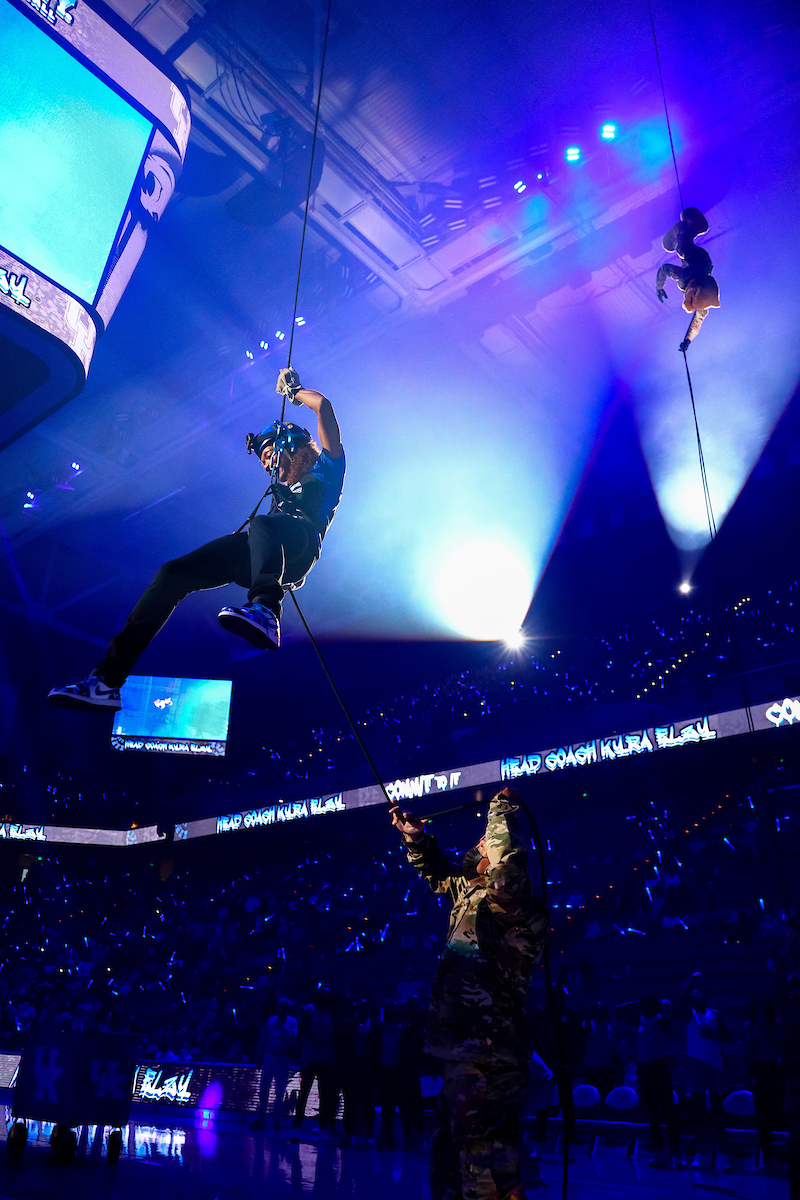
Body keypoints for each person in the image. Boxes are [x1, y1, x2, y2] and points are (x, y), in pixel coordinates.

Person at [47, 371, 344, 711]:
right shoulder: (276, 493)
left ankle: (266, 610)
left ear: (290, 445)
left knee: (262, 525)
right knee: (172, 574)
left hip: (299, 548)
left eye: (269, 454)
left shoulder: (325, 470)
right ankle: (106, 681)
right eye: (262, 460)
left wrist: (295, 393)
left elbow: (324, 408)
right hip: (265, 550)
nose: (266, 465)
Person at [391, 786, 549, 1200]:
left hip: (490, 1052)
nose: (478, 843)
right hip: (461, 1049)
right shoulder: (470, 893)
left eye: (486, 841)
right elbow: (440, 874)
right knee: (450, 1157)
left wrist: (500, 812)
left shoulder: (513, 905)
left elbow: (506, 873)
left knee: (484, 1169)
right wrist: (417, 839)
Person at [679, 973, 732, 1168]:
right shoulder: (688, 1015)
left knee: (718, 1111)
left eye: (699, 990)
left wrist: (713, 1034)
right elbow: (681, 997)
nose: (696, 992)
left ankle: (722, 1156)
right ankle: (701, 1154)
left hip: (715, 1063)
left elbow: (729, 1037)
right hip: (696, 1064)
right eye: (694, 992)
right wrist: (691, 980)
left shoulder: (715, 1014)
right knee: (698, 1110)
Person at [655, 207, 720, 351]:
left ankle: (690, 229)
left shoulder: (702, 305)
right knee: (683, 249)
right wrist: (659, 287)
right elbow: (665, 269)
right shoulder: (684, 277)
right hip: (698, 261)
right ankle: (690, 228)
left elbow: (696, 324)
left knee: (684, 250)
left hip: (702, 265)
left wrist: (687, 341)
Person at [635, 995, 684, 1168]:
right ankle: (660, 1150)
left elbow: (668, 1006)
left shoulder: (661, 1021)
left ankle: (677, 1152)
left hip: (658, 1067)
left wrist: (662, 1002)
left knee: (668, 1111)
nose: (644, 1008)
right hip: (644, 1068)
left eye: (648, 1005)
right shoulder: (641, 1022)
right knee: (652, 1113)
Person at [251, 997, 298, 1132]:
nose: (282, 1008)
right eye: (280, 1006)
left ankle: (277, 1121)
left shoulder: (292, 1022)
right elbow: (263, 1040)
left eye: (284, 1006)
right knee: (263, 1089)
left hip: (283, 1059)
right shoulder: (270, 1021)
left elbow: (293, 1038)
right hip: (270, 1056)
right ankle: (261, 1119)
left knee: (280, 1091)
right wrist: (260, 1057)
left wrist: (283, 1026)